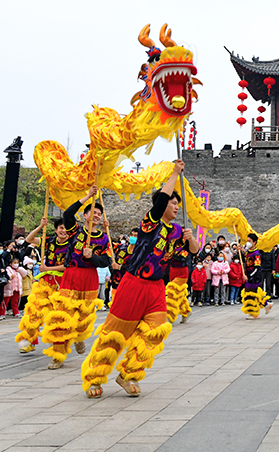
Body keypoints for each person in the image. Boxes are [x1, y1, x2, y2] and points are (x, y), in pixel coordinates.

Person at [81, 160, 198, 398]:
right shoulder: (150, 224)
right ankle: (94, 377)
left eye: (178, 204)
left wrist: (191, 237)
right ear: (161, 204)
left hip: (156, 287)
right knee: (115, 333)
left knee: (155, 332)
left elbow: (193, 252)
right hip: (133, 284)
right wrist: (175, 173)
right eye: (173, 203)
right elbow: (161, 202)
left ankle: (129, 373)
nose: (176, 207)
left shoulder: (177, 231)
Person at [40, 185, 111, 370]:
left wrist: (92, 257)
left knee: (84, 317)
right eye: (92, 212)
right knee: (62, 316)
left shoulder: (104, 238)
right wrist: (88, 196)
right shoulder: (75, 231)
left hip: (90, 279)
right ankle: (58, 354)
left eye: (99, 214)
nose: (96, 216)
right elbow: (67, 215)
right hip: (71, 275)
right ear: (85, 216)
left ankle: (79, 336)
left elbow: (106, 261)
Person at [241, 233, 273, 319]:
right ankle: (266, 304)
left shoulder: (257, 254)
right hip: (249, 275)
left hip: (255, 276)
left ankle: (255, 313)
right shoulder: (248, 252)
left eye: (249, 241)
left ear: (254, 242)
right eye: (247, 241)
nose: (247, 243)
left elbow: (257, 268)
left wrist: (249, 276)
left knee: (251, 294)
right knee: (254, 292)